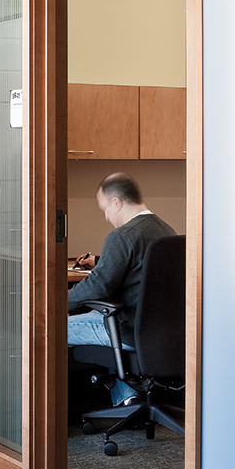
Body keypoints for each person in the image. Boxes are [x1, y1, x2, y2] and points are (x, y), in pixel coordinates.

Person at [68, 172, 176, 406]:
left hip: (128, 329)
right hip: (160, 332)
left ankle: (55, 412)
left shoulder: (122, 236)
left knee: (51, 327)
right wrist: (99, 261)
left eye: (105, 208)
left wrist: (58, 304)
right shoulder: (165, 230)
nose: (106, 216)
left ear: (116, 203)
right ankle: (128, 400)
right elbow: (143, 266)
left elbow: (97, 287)